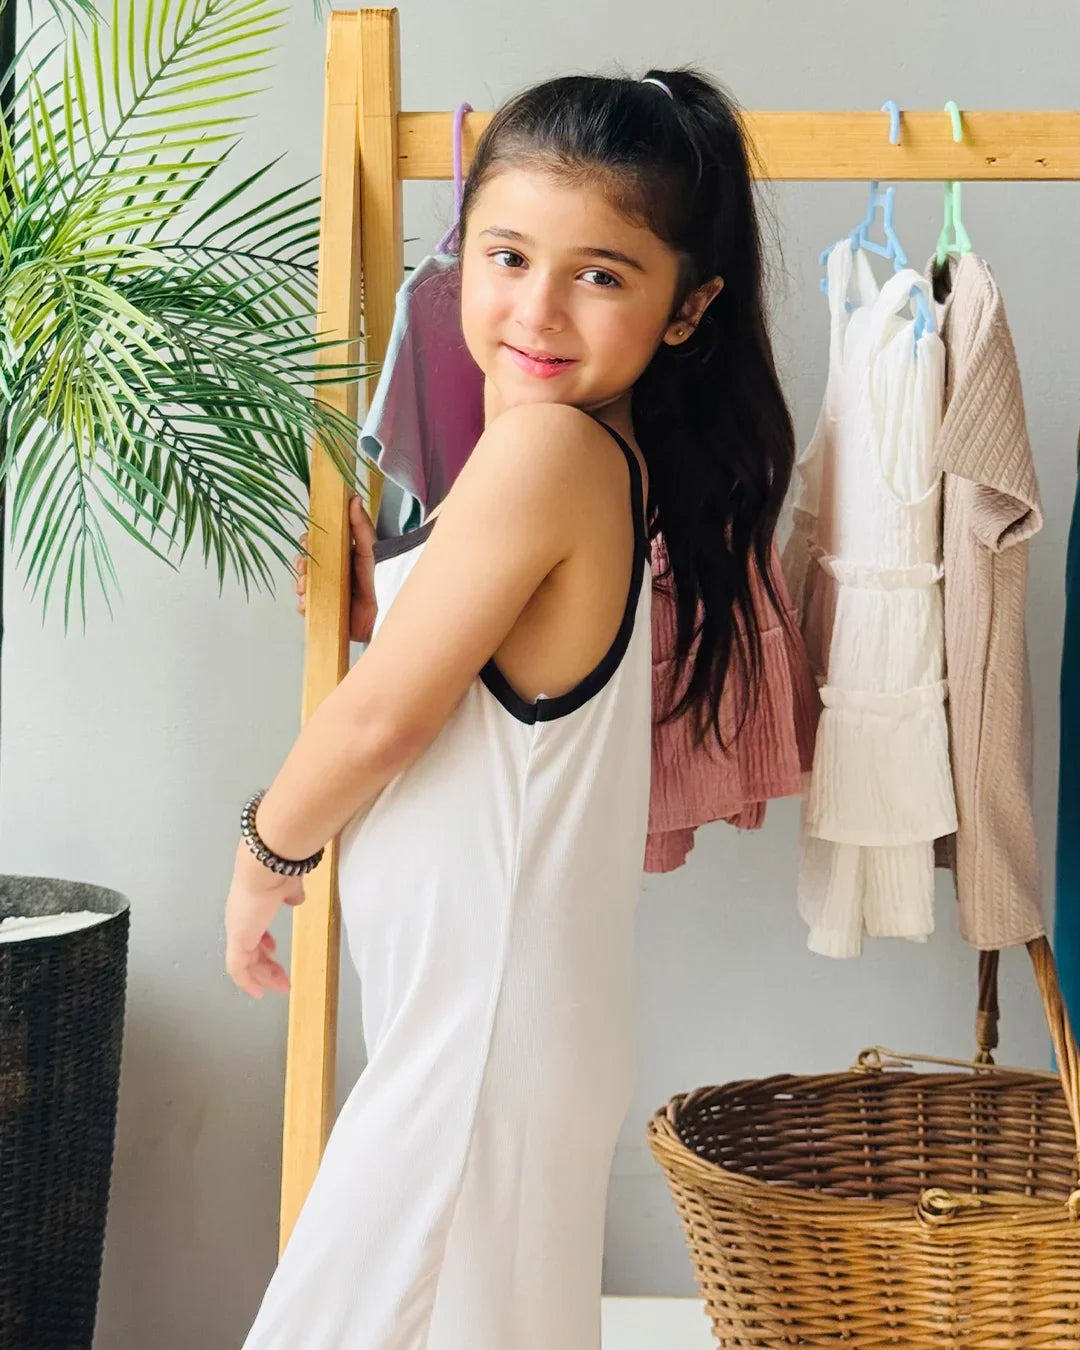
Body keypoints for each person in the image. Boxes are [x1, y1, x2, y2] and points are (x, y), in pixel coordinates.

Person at [225, 66, 795, 1350]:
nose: (537, 308)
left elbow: (383, 722)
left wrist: (265, 852)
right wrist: (387, 602)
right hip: (491, 1021)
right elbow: (475, 691)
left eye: (600, 275)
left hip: (478, 1032)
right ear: (459, 254)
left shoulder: (545, 451)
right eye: (508, 256)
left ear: (688, 307)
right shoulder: (575, 455)